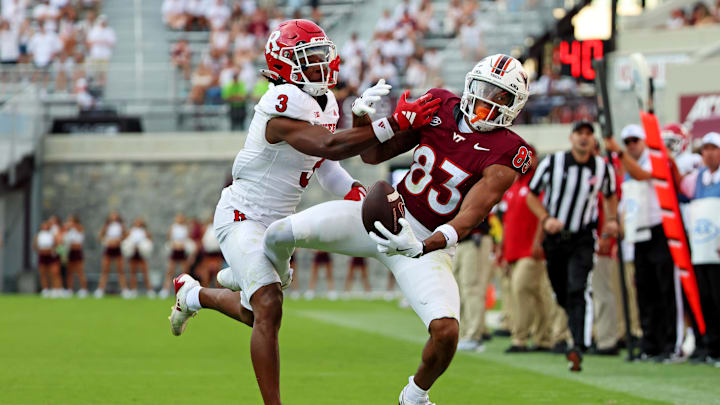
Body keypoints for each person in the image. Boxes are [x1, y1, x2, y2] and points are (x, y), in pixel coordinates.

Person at [201, 54, 531, 403]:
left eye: (500, 97)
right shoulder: (440, 105)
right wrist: (362, 117)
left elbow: (472, 212)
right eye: (484, 90)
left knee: (446, 331)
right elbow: (373, 156)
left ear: (515, 106)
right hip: (383, 217)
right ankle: (257, 274)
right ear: (469, 84)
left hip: (423, 243)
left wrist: (425, 245)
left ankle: (414, 395)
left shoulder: (512, 151)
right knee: (279, 233)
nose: (487, 101)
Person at [167, 19, 437, 405]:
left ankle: (192, 295)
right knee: (268, 306)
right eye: (308, 59)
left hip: (274, 223)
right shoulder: (280, 102)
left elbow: (325, 166)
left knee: (253, 313)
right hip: (241, 215)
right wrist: (393, 124)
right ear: (284, 66)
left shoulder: (323, 101)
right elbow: (327, 145)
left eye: (320, 56)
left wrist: (356, 193)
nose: (320, 66)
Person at [527, 121, 619, 371]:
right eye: (580, 133)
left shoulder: (602, 168)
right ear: (571, 137)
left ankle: (578, 344)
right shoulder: (553, 163)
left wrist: (611, 221)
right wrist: (546, 219)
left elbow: (610, 194)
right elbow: (531, 195)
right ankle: (575, 329)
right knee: (561, 291)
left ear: (593, 140)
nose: (584, 138)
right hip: (556, 239)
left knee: (578, 288)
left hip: (582, 237)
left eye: (589, 134)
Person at [605, 124, 681, 362]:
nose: (631, 146)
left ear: (644, 141)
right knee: (645, 291)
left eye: (634, 141)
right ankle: (650, 343)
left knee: (664, 289)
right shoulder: (626, 167)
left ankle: (670, 343)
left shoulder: (654, 160)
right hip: (638, 233)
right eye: (627, 142)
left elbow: (643, 175)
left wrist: (618, 152)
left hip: (660, 229)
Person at [500, 149, 556, 353]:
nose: (525, 160)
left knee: (521, 288)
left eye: (529, 156)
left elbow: (544, 214)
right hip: (514, 249)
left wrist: (538, 241)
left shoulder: (538, 183)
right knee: (537, 294)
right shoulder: (514, 185)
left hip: (530, 249)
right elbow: (507, 222)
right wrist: (503, 249)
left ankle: (520, 338)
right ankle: (544, 338)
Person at [680, 132, 720, 366]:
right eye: (704, 148)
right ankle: (712, 347)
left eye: (713, 148)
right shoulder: (698, 178)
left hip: (716, 249)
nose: (709, 153)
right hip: (701, 249)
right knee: (706, 299)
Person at [96, 211, 129, 298]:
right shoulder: (106, 226)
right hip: (108, 249)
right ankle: (100, 290)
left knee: (120, 271)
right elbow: (100, 236)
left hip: (117, 249)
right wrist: (107, 241)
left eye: (115, 215)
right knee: (105, 271)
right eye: (112, 215)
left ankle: (124, 290)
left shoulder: (121, 226)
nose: (114, 216)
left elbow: (126, 235)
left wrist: (119, 240)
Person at [161, 213, 192, 298]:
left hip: (182, 251)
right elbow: (169, 238)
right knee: (170, 271)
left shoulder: (186, 228)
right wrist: (175, 244)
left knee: (185, 272)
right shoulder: (173, 227)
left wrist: (182, 245)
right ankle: (166, 290)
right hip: (174, 250)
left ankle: (186, 290)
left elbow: (188, 238)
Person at [123, 217, 154, 298]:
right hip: (133, 253)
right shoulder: (130, 231)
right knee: (133, 272)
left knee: (145, 272)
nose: (138, 223)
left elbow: (149, 240)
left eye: (139, 222)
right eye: (136, 221)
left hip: (141, 253)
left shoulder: (145, 231)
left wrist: (143, 247)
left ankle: (149, 290)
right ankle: (134, 290)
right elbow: (126, 240)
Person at [63, 215, 88, 298]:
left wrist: (72, 225)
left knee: (80, 271)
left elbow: (79, 238)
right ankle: (69, 289)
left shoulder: (79, 228)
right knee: (69, 272)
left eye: (71, 221)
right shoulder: (68, 230)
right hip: (70, 251)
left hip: (77, 251)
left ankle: (84, 289)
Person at [35, 221, 62, 298]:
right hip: (42, 255)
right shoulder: (39, 235)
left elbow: (56, 244)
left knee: (53, 273)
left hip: (50, 255)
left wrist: (54, 251)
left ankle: (55, 289)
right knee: (43, 273)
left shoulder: (52, 234)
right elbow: (35, 245)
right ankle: (45, 289)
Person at [197, 217, 223, 288]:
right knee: (206, 274)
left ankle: (219, 290)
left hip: (217, 254)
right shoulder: (205, 228)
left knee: (218, 274)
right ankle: (205, 290)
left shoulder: (219, 227)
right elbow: (201, 241)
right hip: (207, 255)